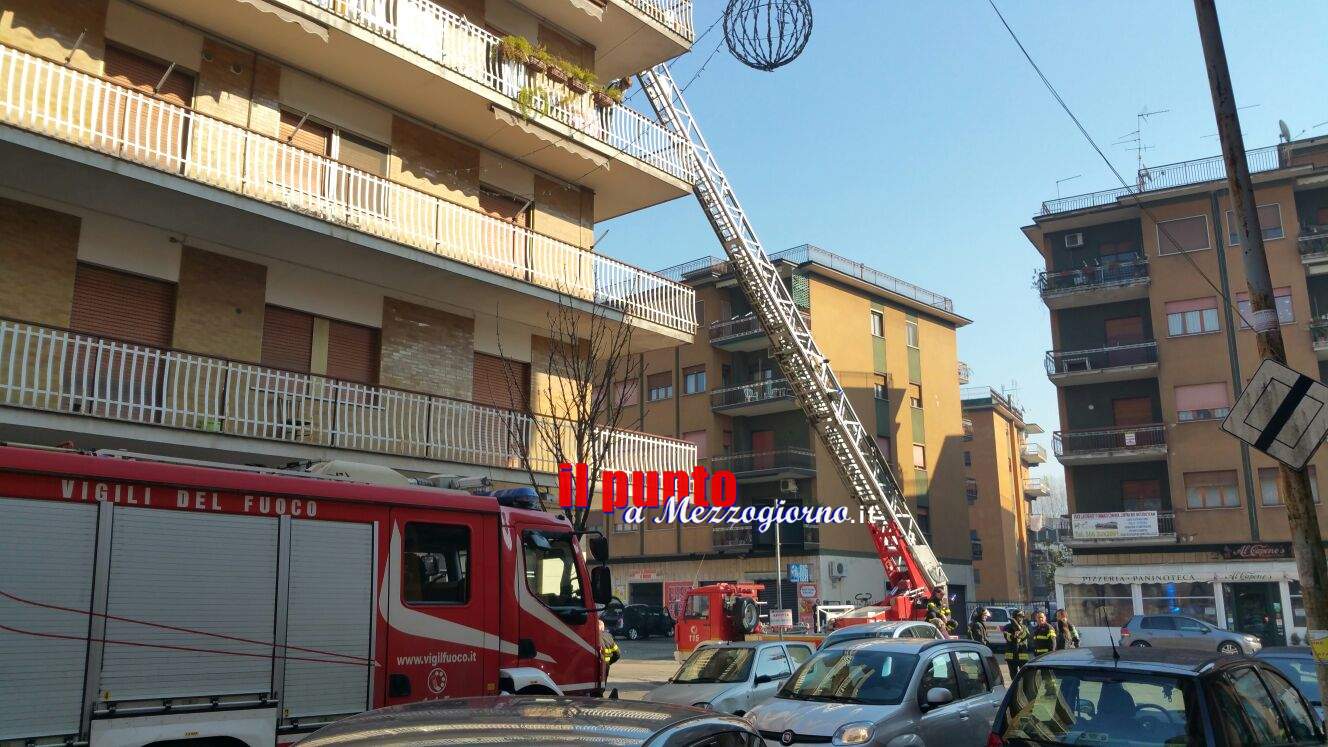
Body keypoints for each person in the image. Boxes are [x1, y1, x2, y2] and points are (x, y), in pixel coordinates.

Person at [1003, 609, 1031, 679]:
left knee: (1025, 675)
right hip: (1011, 655)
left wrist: (1019, 630)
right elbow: (1008, 637)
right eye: (1020, 616)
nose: (1021, 618)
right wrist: (1014, 636)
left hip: (1022, 655)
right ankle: (1015, 686)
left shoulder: (1024, 627)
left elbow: (1025, 636)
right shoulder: (1007, 627)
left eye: (1022, 617)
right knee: (1013, 675)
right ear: (1014, 616)